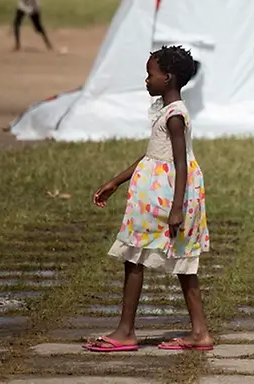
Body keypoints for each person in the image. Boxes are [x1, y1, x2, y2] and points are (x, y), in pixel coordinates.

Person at [86, 46, 212, 353]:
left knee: (136, 257)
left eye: (150, 74)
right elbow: (154, 154)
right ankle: (199, 333)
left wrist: (177, 209)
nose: (146, 80)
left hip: (165, 197)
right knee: (173, 261)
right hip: (155, 195)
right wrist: (116, 181)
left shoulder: (175, 117)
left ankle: (125, 331)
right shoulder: (166, 112)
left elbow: (180, 163)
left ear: (167, 78)